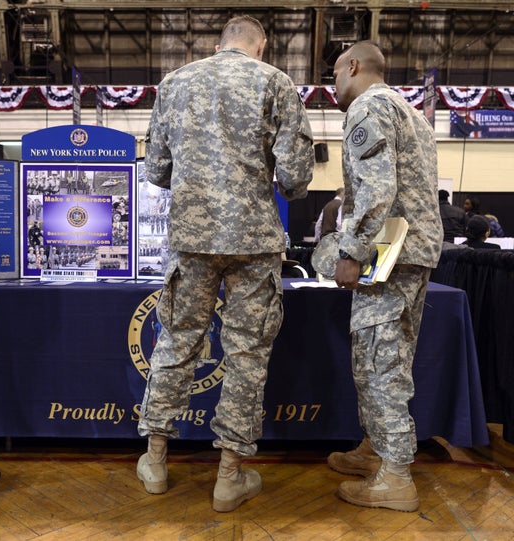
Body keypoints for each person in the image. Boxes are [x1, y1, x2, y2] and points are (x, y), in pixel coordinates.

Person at [136, 15, 314, 513]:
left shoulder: (176, 82)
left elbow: (156, 171)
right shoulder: (275, 82)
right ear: (260, 47)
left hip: (191, 238)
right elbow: (297, 178)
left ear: (219, 45)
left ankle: (154, 461)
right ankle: (229, 477)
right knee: (247, 354)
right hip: (254, 242)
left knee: (177, 341)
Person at [326, 41, 443, 512]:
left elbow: (377, 189)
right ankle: (376, 450)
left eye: (334, 75)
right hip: (410, 248)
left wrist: (352, 252)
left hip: (388, 251)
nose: (333, 86)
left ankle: (395, 476)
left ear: (353, 66)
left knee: (380, 366)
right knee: (388, 358)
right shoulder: (410, 111)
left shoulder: (368, 106)